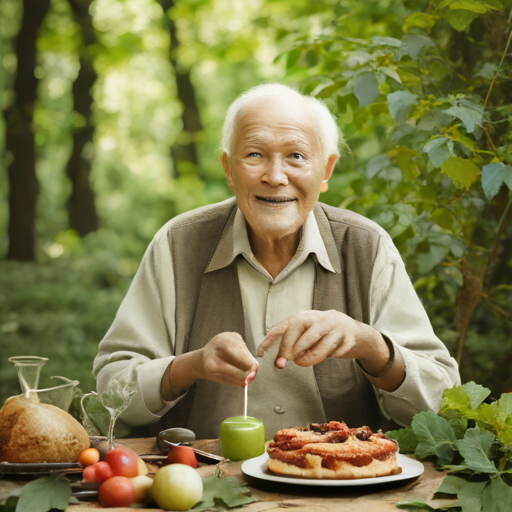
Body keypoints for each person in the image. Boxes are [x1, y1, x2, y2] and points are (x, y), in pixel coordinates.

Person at [93, 83, 460, 440]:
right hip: (206, 487)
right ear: (228, 169)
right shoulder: (178, 244)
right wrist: (190, 366)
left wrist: (372, 346)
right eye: (254, 154)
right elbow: (109, 398)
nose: (275, 176)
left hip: (340, 488)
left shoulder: (367, 246)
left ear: (326, 170)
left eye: (296, 156)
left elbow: (445, 405)